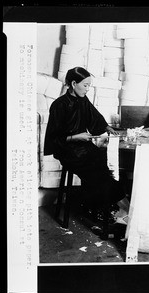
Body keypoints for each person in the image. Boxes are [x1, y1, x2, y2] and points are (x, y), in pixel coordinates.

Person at [44, 67, 129, 226]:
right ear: (74, 83)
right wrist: (76, 136)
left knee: (106, 163)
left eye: (89, 85)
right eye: (85, 85)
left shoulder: (83, 99)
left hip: (83, 147)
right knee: (97, 172)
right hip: (67, 150)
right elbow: (53, 138)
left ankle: (100, 206)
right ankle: (103, 210)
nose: (88, 89)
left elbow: (94, 117)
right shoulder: (59, 105)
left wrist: (106, 128)